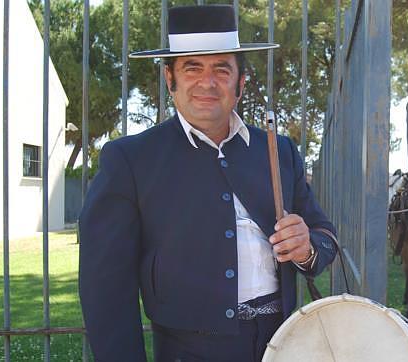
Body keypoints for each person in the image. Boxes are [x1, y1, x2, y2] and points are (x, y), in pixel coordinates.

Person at [78, 5, 337, 361]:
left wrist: (306, 248)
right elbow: (105, 290)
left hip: (282, 345)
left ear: (240, 83)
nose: (207, 82)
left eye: (222, 69)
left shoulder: (279, 150)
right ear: (170, 79)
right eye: (192, 68)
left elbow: (324, 233)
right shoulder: (130, 160)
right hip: (189, 351)